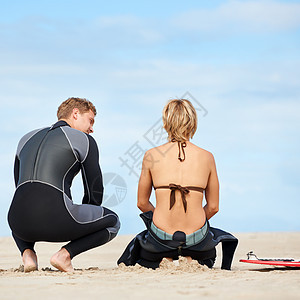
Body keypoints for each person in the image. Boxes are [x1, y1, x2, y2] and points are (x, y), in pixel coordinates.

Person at [118, 99, 238, 270]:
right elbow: (213, 207)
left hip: (161, 238)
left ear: (166, 122)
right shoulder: (207, 157)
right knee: (209, 251)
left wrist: (160, 218)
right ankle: (190, 257)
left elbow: (142, 203)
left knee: (142, 249)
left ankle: (164, 256)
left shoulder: (151, 155)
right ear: (193, 122)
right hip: (196, 239)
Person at [8, 97, 120, 272]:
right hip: (58, 220)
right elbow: (94, 190)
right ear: (75, 113)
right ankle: (65, 255)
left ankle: (28, 253)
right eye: (90, 121)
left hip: (17, 224)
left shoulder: (25, 138)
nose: (92, 128)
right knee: (113, 221)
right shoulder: (84, 140)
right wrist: (86, 223)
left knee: (21, 208)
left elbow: (19, 185)